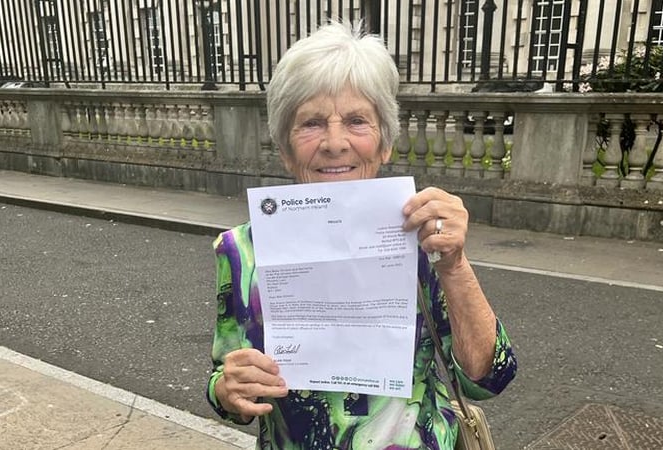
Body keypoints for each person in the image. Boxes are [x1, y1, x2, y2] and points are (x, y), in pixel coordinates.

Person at [206, 21, 517, 449]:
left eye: (356, 121)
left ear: (385, 142)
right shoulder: (241, 250)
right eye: (312, 123)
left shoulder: (424, 239)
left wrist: (455, 264)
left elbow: (488, 379)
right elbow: (228, 386)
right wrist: (227, 389)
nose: (335, 143)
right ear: (284, 148)